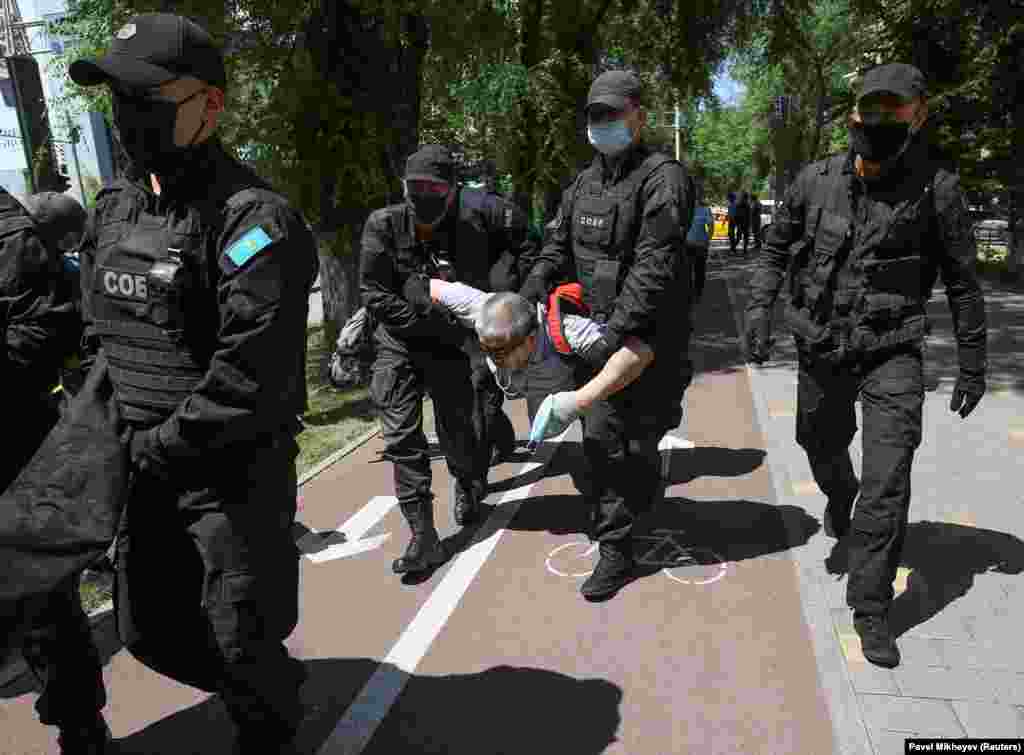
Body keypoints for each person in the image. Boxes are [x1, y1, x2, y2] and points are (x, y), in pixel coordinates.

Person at [69, 13, 318, 753]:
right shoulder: (114, 207)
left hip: (228, 482)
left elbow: (250, 375)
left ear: (210, 105)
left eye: (147, 97)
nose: (127, 115)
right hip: (141, 472)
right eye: (117, 97)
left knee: (237, 639)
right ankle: (265, 681)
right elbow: (99, 334)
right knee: (144, 631)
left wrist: (157, 446)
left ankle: (265, 707)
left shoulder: (252, 219)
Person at [743, 63, 987, 668]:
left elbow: (961, 282)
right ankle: (837, 493)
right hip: (821, 343)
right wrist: (758, 307)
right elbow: (776, 247)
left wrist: (974, 360)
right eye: (869, 108)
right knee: (817, 440)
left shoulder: (938, 189)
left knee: (889, 477)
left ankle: (871, 607)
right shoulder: (815, 179)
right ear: (853, 113)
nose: (877, 119)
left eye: (893, 109)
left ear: (919, 113)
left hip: (893, 349)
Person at [517, 69, 694, 601]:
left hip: (645, 338)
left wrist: (613, 333)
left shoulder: (665, 179)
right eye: (595, 116)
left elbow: (653, 269)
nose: (603, 125)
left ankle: (635, 491)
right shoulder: (581, 184)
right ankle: (617, 550)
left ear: (638, 116)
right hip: (593, 333)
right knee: (601, 439)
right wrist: (530, 288)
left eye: (613, 115)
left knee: (639, 441)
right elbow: (556, 247)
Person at [1, 187, 107, 755]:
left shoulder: (12, 237)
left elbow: (47, 331)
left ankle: (80, 725)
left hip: (15, 447)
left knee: (44, 598)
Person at [361, 145, 496, 576]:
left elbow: (477, 298)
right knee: (402, 439)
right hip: (398, 344)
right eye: (415, 186)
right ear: (403, 187)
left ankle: (468, 483)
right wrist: (421, 317)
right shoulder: (382, 225)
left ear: (452, 190)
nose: (424, 195)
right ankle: (423, 535)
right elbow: (373, 292)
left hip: (449, 348)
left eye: (434, 187)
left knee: (458, 429)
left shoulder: (470, 233)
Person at [685, 182, 714, 304]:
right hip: (686, 245)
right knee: (685, 270)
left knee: (699, 271)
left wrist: (707, 239)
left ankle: (698, 293)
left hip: (700, 245)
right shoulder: (685, 207)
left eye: (697, 194)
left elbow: (711, 226)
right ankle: (686, 294)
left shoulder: (705, 209)